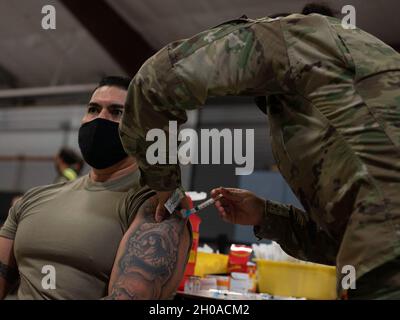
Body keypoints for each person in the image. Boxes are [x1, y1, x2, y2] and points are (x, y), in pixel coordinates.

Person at [119, 10, 400, 299]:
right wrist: (267, 215)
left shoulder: (293, 35)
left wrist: (164, 185)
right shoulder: (369, 66)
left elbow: (157, 80)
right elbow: (341, 242)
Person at [0, 76, 191, 300]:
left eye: (117, 112)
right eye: (93, 109)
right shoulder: (34, 198)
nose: (100, 119)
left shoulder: (155, 203)